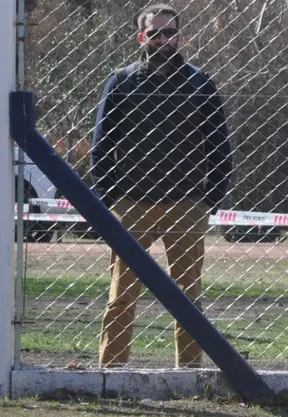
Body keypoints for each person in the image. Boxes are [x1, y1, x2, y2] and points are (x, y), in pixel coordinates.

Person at [91, 3, 233, 368]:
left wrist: (209, 200)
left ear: (179, 37)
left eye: (169, 33)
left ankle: (189, 376)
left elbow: (219, 146)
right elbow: (102, 145)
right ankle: (111, 374)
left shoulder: (200, 83)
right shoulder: (121, 82)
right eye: (154, 33)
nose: (163, 40)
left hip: (186, 205)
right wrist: (110, 199)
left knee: (188, 298)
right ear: (142, 36)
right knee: (121, 296)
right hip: (132, 204)